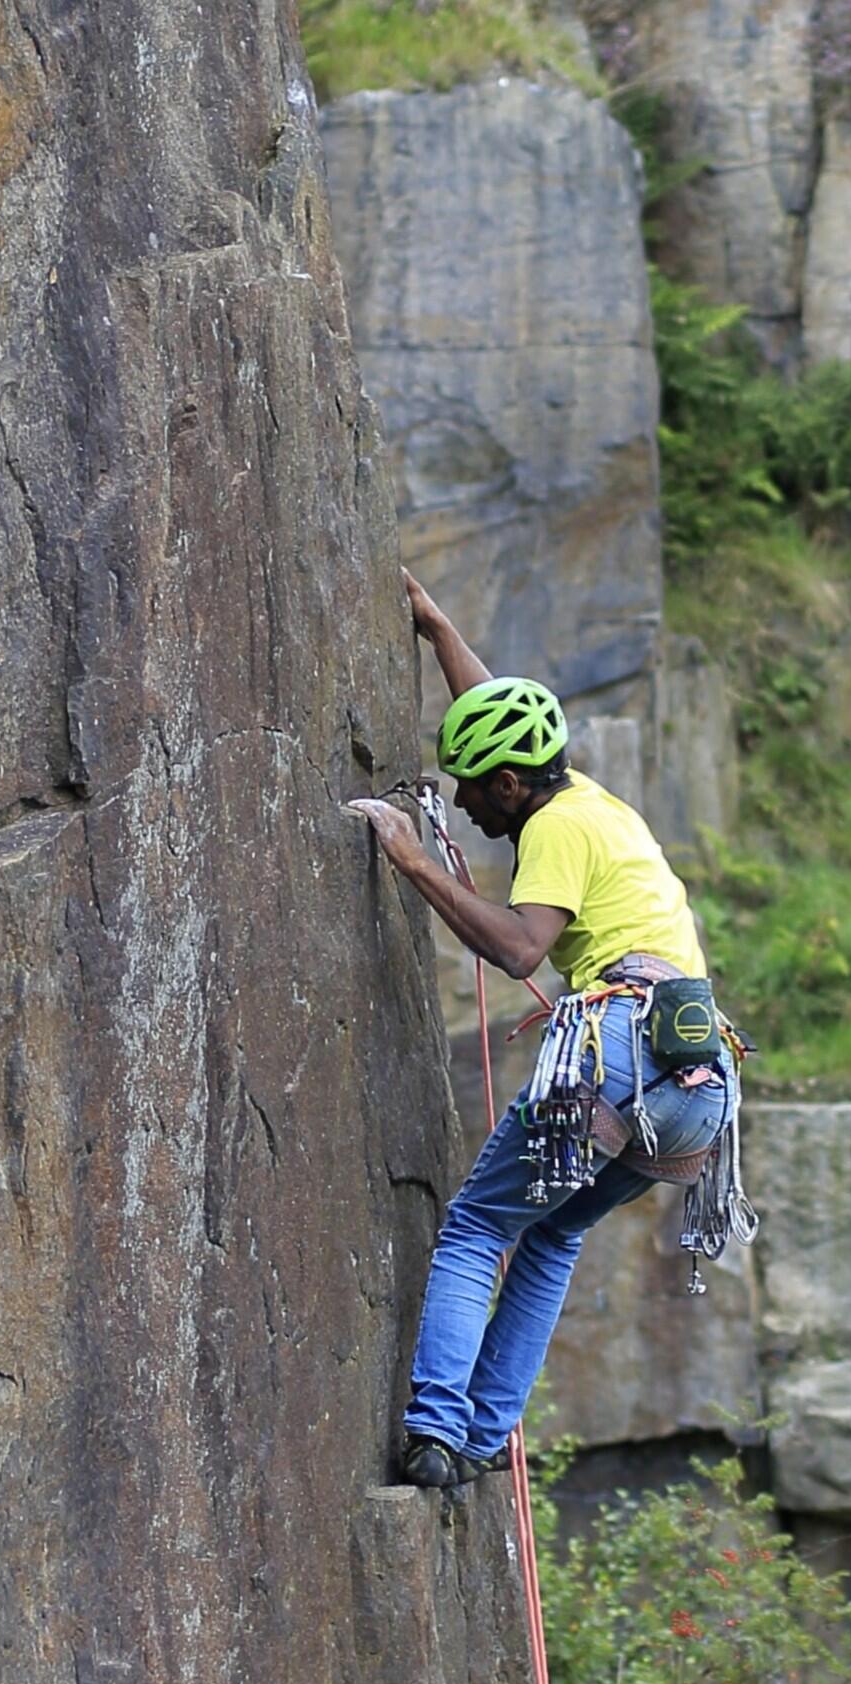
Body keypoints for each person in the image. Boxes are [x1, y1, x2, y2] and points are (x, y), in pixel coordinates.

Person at [342, 574, 738, 1489]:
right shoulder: (589, 803)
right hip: (697, 1085)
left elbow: (521, 950)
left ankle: (438, 1430)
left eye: (474, 792)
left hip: (621, 1050)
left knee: (480, 1223)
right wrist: (439, 625)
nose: (465, 807)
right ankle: (482, 1437)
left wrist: (412, 860)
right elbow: (494, 714)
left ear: (514, 784)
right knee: (551, 1235)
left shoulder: (555, 826)